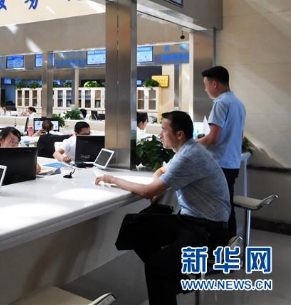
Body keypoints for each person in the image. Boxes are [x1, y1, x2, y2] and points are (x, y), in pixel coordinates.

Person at [95, 111, 230, 305]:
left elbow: (146, 192)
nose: (159, 134)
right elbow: (160, 171)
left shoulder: (189, 157)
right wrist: (159, 188)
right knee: (135, 227)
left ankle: (171, 279)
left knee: (156, 267)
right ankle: (176, 280)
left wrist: (111, 179)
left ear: (179, 134)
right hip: (192, 221)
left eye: (164, 130)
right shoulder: (188, 150)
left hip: (209, 229)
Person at [196, 66, 246, 237]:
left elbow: (213, 138)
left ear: (214, 84)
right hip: (232, 163)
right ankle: (229, 246)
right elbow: (239, 135)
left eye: (206, 85)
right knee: (226, 207)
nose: (205, 89)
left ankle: (222, 247)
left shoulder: (220, 103)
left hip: (219, 165)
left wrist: (191, 145)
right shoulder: (238, 104)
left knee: (218, 211)